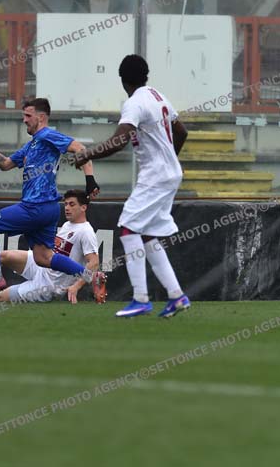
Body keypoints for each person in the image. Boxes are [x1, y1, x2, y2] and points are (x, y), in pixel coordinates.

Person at [71, 54, 190, 318]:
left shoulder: (134, 103)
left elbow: (119, 141)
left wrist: (87, 153)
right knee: (146, 234)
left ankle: (140, 299)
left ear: (122, 80)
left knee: (128, 227)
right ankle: (176, 296)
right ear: (146, 76)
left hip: (156, 175)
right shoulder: (158, 96)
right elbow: (182, 132)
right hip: (170, 173)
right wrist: (169, 160)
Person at [0, 98, 103, 296]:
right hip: (48, 208)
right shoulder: (31, 145)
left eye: (28, 116)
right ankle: (91, 276)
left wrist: (90, 180)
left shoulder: (48, 135)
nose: (24, 120)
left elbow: (80, 149)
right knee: (43, 258)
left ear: (41, 117)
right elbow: (5, 164)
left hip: (35, 206)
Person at [0, 190, 106, 304]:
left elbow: (94, 262)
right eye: (66, 204)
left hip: (50, 285)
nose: (67, 208)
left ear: (83, 207)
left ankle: (8, 289)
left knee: (2, 297)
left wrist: (76, 286)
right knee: (4, 256)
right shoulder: (67, 225)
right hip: (42, 265)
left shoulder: (86, 231)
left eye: (72, 204)